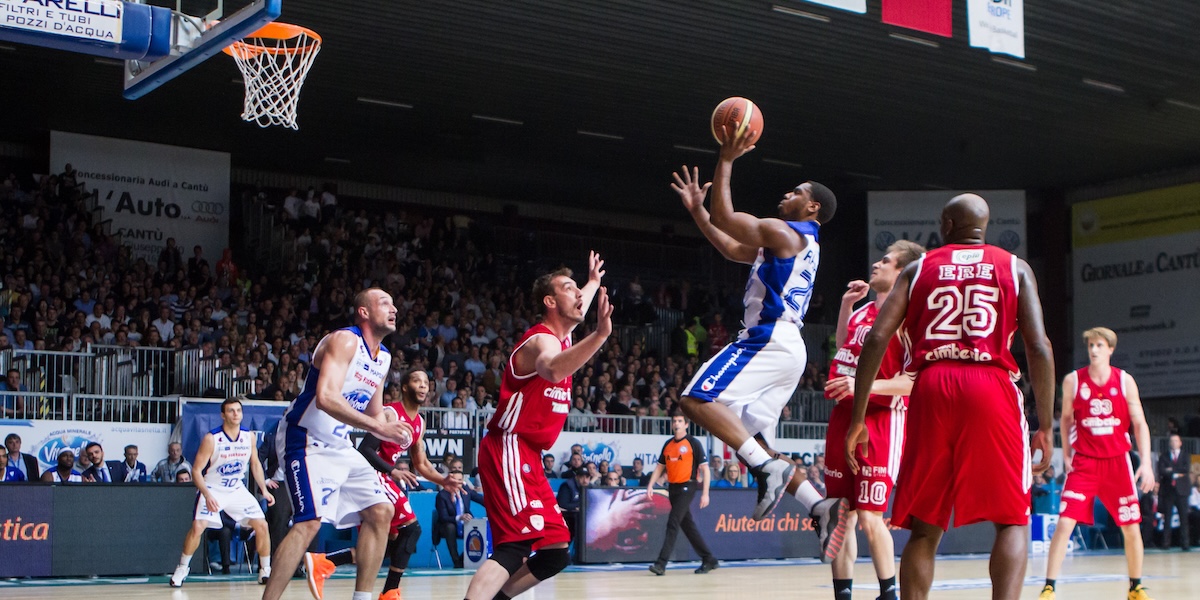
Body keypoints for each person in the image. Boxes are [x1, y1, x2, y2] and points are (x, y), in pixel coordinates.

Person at [846, 194, 1055, 600]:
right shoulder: (1015, 267)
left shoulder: (918, 267)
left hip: (931, 387)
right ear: (986, 226)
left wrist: (858, 417)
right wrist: (1045, 425)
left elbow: (875, 339)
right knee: (1012, 520)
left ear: (946, 225)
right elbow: (1039, 348)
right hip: (990, 385)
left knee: (925, 525)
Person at [670, 125, 838, 520]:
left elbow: (727, 218)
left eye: (797, 192)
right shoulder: (795, 243)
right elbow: (730, 247)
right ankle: (818, 505)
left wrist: (726, 158)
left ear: (812, 207)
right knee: (757, 439)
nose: (787, 194)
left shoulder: (786, 233)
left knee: (696, 398)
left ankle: (766, 470)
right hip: (788, 347)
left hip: (768, 337)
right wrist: (698, 212)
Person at [463, 253, 612, 600]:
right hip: (509, 447)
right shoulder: (541, 340)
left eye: (579, 292)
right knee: (516, 544)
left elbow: (580, 302)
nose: (579, 297)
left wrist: (591, 281)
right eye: (568, 289)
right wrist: (601, 335)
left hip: (528, 453)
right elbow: (552, 369)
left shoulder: (566, 332)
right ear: (550, 301)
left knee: (556, 551)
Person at [262, 289, 414, 600]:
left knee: (381, 511)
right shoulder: (345, 340)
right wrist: (377, 425)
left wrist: (393, 430)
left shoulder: (383, 357)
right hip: (304, 438)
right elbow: (326, 398)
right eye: (385, 302)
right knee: (309, 523)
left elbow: (374, 414)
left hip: (340, 443)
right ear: (364, 312)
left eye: (394, 303)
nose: (394, 308)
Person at [816, 241, 924, 600]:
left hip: (881, 419)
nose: (876, 264)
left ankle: (889, 594)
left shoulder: (910, 320)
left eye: (886, 261)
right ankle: (843, 595)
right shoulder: (864, 311)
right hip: (843, 417)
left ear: (902, 273)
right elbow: (846, 343)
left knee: (869, 517)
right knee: (838, 515)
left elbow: (913, 383)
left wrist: (862, 384)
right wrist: (847, 306)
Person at [307, 369, 461, 600]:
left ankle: (326, 562)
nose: (422, 386)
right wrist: (392, 470)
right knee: (412, 529)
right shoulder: (389, 414)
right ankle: (389, 592)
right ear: (405, 387)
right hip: (368, 473)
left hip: (384, 476)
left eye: (426, 383)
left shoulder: (419, 422)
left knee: (392, 545)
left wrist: (443, 480)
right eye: (416, 381)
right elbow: (366, 450)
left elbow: (421, 463)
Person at [1038, 328, 1156, 599]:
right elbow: (1066, 420)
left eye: (1099, 345)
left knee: (1131, 526)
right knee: (1065, 522)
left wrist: (1147, 463)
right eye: (1091, 345)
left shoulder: (1125, 381)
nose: (1093, 350)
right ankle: (1049, 587)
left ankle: (1135, 586)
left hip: (1117, 462)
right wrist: (1067, 453)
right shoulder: (1073, 381)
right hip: (1085, 463)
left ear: (1110, 349)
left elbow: (1139, 423)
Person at [170, 398, 274, 587]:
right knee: (198, 526)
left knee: (262, 526)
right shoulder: (212, 438)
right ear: (223, 415)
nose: (236, 414)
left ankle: (265, 570)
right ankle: (182, 568)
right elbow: (196, 471)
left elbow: (255, 464)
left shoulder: (248, 436)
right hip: (213, 488)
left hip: (236, 488)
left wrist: (264, 490)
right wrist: (208, 495)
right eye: (231, 411)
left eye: (238, 411)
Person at [644, 413, 717, 575]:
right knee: (688, 526)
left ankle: (661, 564)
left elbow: (705, 470)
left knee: (673, 522)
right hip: (673, 488)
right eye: (674, 421)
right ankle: (709, 558)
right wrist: (650, 485)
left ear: (686, 425)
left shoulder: (693, 443)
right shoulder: (668, 444)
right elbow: (659, 467)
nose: (676, 423)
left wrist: (706, 494)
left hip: (688, 486)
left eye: (679, 421)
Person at [434, 470, 485, 568]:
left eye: (460, 480)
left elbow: (481, 500)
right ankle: (456, 561)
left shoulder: (466, 490)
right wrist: (459, 517)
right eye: (455, 480)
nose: (458, 483)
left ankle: (462, 560)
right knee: (450, 527)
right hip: (447, 526)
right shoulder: (442, 495)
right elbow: (443, 517)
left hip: (465, 525)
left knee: (479, 526)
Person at [1157, 433, 1192, 551]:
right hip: (1169, 490)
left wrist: (1171, 470)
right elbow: (1161, 470)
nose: (1173, 443)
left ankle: (1185, 544)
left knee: (1184, 518)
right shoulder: (1164, 456)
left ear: (1180, 443)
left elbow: (1186, 469)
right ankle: (1166, 544)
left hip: (1182, 491)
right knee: (1167, 518)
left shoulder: (1185, 455)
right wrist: (1176, 472)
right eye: (1172, 441)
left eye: (1176, 441)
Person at [556, 468, 591, 559]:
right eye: (582, 477)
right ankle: (564, 556)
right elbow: (563, 504)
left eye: (587, 477)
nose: (585, 480)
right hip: (568, 517)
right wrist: (580, 505)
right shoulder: (567, 486)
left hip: (582, 517)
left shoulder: (590, 487)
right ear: (577, 477)